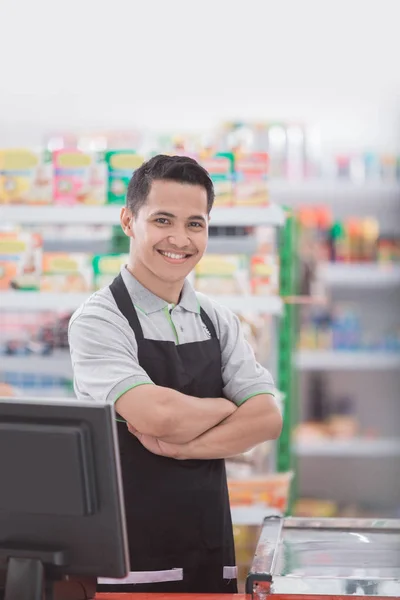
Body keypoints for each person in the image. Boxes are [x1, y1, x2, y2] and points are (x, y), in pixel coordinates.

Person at [68, 155, 282, 594]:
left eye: (195, 224)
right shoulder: (99, 320)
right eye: (163, 220)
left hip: (209, 546)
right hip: (129, 554)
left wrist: (183, 449)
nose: (180, 239)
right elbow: (157, 416)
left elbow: (266, 419)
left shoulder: (216, 318)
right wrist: (227, 407)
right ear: (129, 220)